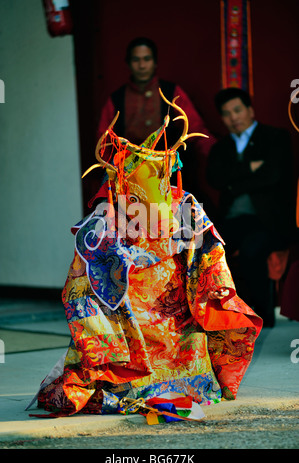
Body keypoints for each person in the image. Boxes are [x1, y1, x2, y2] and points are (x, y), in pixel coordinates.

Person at [28, 97, 262, 420]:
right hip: (156, 307)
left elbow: (85, 267)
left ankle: (133, 377)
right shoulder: (168, 204)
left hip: (153, 306)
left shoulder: (167, 204)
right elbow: (212, 254)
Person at [97, 36, 218, 215]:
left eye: (147, 59)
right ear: (129, 64)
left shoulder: (172, 92)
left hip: (168, 177)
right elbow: (104, 143)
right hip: (129, 181)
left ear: (155, 62)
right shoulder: (117, 99)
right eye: (136, 60)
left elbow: (195, 129)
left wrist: (219, 155)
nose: (142, 65)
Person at [206, 87, 295, 327]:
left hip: (268, 220)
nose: (233, 117)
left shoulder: (276, 137)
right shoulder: (220, 148)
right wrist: (249, 169)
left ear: (250, 110)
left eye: (237, 110)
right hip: (232, 220)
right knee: (206, 248)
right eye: (227, 113)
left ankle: (261, 315)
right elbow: (214, 178)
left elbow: (272, 175)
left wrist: (233, 183)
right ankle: (217, 316)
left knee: (252, 250)